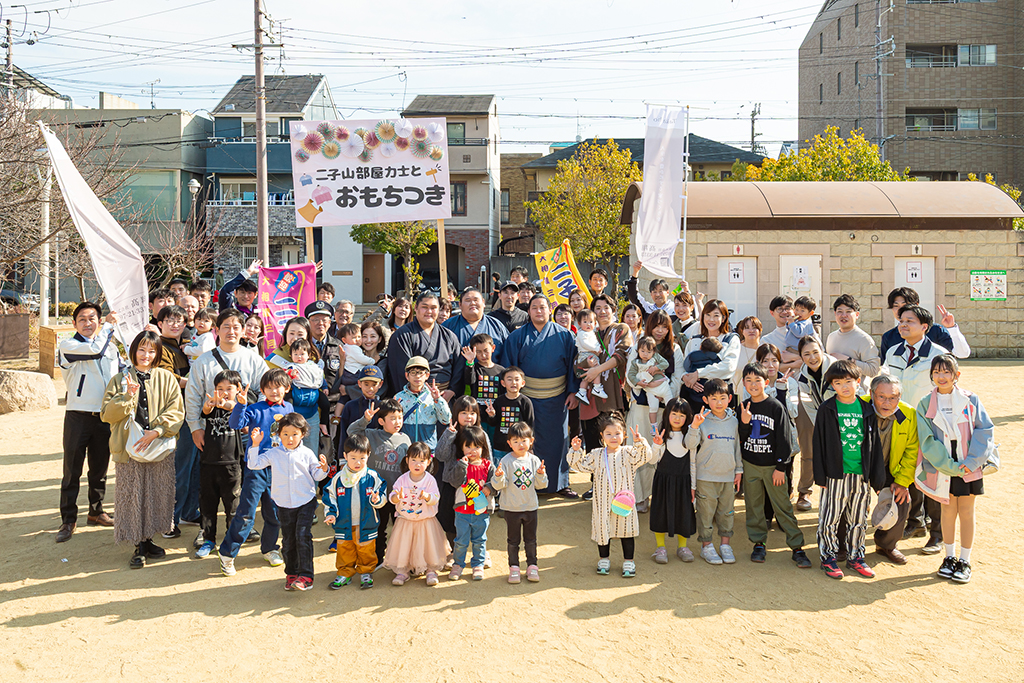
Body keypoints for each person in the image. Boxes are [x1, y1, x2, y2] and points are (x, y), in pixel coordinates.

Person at [100, 330, 185, 568]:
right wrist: (127, 396)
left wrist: (157, 431)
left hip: (158, 444)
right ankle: (137, 543)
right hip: (130, 446)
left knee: (157, 492)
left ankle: (149, 539)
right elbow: (106, 414)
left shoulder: (166, 377)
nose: (146, 355)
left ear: (158, 353)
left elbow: (176, 409)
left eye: (151, 351)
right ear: (133, 350)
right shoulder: (120, 379)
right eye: (141, 349)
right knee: (132, 494)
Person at [916, 354, 995, 585]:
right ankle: (949, 558)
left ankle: (965, 560)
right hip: (944, 468)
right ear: (931, 376)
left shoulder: (971, 400)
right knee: (947, 512)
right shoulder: (924, 404)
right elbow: (927, 440)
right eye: (937, 372)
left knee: (967, 512)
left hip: (969, 465)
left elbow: (985, 430)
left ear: (956, 375)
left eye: (946, 372)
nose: (941, 377)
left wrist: (970, 463)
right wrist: (950, 467)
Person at [880, 304, 951, 552]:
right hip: (902, 421)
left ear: (924, 326)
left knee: (933, 476)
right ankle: (915, 521)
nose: (903, 324)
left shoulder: (939, 354)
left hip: (931, 423)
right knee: (908, 472)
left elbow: (946, 390)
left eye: (909, 321)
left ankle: (937, 534)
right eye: (901, 320)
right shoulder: (892, 352)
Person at [498, 294, 580, 498]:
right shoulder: (516, 337)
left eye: (542, 307)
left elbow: (573, 367)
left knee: (559, 440)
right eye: (534, 308)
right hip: (527, 398)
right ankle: (527, 483)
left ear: (549, 310)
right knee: (526, 440)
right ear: (528, 311)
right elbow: (509, 367)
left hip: (557, 396)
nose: (538, 311)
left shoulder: (565, 335)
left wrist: (572, 391)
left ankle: (560, 483)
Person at [813, 360, 885, 580]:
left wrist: (876, 477)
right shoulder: (828, 409)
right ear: (832, 386)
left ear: (858, 381)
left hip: (861, 474)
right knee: (830, 518)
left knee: (859, 518)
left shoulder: (866, 409)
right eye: (838, 383)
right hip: (835, 473)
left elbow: (874, 443)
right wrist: (820, 474)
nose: (844, 386)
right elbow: (818, 443)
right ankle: (829, 557)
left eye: (848, 381)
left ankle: (856, 557)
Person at [219, 368, 294, 576]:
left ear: (286, 388)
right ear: (262, 390)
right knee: (246, 514)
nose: (274, 391)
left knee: (275, 513)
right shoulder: (255, 408)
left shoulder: (289, 408)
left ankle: (270, 548)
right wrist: (241, 405)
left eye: (278, 387)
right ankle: (227, 554)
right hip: (256, 467)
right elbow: (236, 423)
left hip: (279, 468)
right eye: (268, 388)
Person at [56, 303, 121, 543]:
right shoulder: (69, 345)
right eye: (81, 319)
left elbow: (121, 372)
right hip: (78, 416)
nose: (87, 322)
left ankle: (96, 511)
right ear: (74, 324)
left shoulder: (110, 348)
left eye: (92, 318)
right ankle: (68, 520)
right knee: (72, 470)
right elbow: (94, 351)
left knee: (100, 468)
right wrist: (109, 326)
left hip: (104, 417)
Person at [737, 363, 812, 568]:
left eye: (757, 380)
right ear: (743, 383)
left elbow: (784, 439)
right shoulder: (743, 406)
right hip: (751, 464)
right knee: (753, 506)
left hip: (773, 467)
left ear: (766, 382)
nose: (753, 384)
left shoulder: (775, 406)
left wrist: (781, 467)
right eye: (749, 380)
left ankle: (797, 546)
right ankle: (759, 543)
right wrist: (744, 423)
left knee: (783, 507)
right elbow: (741, 439)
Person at [247, 414, 329, 591]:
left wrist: (324, 469)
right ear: (278, 434)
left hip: (306, 501)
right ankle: (291, 573)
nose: (289, 439)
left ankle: (306, 576)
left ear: (302, 434)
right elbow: (254, 464)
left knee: (303, 536)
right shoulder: (274, 453)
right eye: (285, 434)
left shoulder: (307, 453)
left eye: (294, 434)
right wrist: (255, 444)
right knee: (289, 540)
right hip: (283, 503)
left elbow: (317, 475)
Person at [568, 416, 655, 578]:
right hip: (602, 502)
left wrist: (639, 441)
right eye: (608, 434)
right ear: (602, 436)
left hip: (624, 502)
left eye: (617, 433)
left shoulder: (629, 453)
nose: (613, 437)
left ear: (624, 435)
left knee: (626, 531)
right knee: (603, 530)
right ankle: (604, 559)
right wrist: (575, 450)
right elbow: (579, 465)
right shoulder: (596, 454)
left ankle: (629, 561)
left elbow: (645, 457)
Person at [625, 310, 684, 513]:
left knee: (661, 454)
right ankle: (639, 497)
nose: (660, 330)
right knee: (638, 450)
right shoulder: (638, 347)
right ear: (649, 326)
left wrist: (665, 394)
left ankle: (661, 497)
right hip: (641, 407)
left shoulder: (674, 349)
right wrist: (643, 386)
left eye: (664, 326)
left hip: (663, 409)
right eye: (656, 326)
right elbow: (629, 375)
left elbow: (678, 377)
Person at [684, 379, 742, 566]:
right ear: (705, 399)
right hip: (706, 476)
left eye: (722, 398)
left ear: (729, 398)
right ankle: (706, 546)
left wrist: (739, 470)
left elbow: (736, 448)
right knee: (705, 513)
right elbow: (689, 445)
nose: (718, 402)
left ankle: (725, 545)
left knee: (727, 513)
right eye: (714, 398)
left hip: (728, 476)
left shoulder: (733, 421)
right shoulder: (701, 420)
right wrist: (694, 426)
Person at [348, 398, 412, 564]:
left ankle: (401, 560)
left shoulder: (405, 439)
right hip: (377, 494)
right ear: (381, 421)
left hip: (398, 495)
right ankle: (377, 559)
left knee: (401, 528)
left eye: (400, 417)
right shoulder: (372, 435)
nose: (397, 422)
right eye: (392, 418)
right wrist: (366, 419)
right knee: (379, 528)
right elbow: (351, 432)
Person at [864, 374, 919, 566]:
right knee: (849, 499)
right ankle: (845, 545)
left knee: (902, 500)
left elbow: (912, 450)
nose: (887, 402)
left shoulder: (908, 414)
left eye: (893, 397)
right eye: (881, 397)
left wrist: (903, 481)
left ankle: (886, 544)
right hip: (860, 465)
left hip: (890, 467)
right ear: (871, 394)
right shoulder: (859, 407)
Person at [323, 433, 388, 589]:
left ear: (368, 456)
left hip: (366, 523)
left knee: (366, 549)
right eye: (353, 458)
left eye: (362, 458)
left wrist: (377, 500)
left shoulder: (372, 477)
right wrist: (331, 513)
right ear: (345, 456)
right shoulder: (338, 478)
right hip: (343, 523)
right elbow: (329, 496)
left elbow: (382, 494)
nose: (357, 462)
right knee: (345, 549)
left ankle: (366, 572)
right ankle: (344, 573)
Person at [193, 370, 245, 559]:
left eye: (228, 389)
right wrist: (210, 404)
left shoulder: (240, 407)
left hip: (231, 464)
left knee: (232, 505)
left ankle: (231, 541)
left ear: (238, 390)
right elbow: (205, 411)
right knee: (208, 504)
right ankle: (208, 540)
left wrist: (230, 403)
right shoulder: (211, 405)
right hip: (208, 463)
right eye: (219, 388)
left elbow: (235, 408)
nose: (223, 392)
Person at [384, 442, 450, 587]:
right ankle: (403, 570)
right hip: (405, 521)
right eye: (413, 460)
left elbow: (435, 499)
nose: (417, 464)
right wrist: (397, 496)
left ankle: (431, 569)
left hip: (426, 521)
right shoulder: (402, 479)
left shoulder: (430, 480)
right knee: (405, 546)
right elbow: (392, 497)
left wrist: (427, 496)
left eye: (421, 461)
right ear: (407, 460)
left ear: (428, 462)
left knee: (428, 546)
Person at [491, 421, 547, 584]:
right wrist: (499, 476)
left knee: (531, 540)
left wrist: (541, 474)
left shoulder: (535, 460)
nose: (520, 444)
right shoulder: (506, 461)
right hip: (511, 508)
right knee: (513, 541)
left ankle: (532, 566)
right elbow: (497, 486)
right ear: (509, 443)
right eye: (515, 441)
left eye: (523, 440)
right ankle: (514, 567)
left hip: (530, 507)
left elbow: (541, 485)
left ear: (531, 440)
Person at [386, 293, 461, 404]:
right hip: (414, 399)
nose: (429, 311)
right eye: (424, 307)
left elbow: (459, 367)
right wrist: (419, 395)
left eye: (434, 308)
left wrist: (452, 390)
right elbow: (399, 371)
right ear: (416, 308)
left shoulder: (449, 336)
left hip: (445, 398)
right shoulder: (402, 335)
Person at [444, 425, 496, 581]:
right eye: (468, 446)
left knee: (480, 540)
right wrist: (462, 466)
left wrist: (490, 487)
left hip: (481, 511)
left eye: (476, 446)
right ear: (462, 447)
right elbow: (454, 482)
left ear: (483, 447)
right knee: (460, 541)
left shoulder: (488, 466)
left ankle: (478, 564)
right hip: (462, 511)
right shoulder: (460, 464)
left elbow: (497, 485)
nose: (472, 450)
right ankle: (458, 564)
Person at [648, 399, 696, 564]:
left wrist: (693, 486)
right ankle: (660, 547)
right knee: (661, 513)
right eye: (674, 414)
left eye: (682, 415)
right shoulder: (661, 435)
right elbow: (652, 461)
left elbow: (693, 463)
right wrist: (656, 446)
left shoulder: (690, 437)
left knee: (684, 513)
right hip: (663, 481)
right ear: (667, 414)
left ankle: (682, 547)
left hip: (684, 482)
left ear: (687, 417)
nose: (677, 418)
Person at [794, 336, 836, 511]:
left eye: (815, 352)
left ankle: (837, 492)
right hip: (815, 413)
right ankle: (804, 491)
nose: (812, 358)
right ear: (801, 357)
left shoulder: (836, 369)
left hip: (840, 414)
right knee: (809, 450)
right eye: (806, 354)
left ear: (822, 350)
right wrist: (820, 427)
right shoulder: (802, 377)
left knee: (838, 454)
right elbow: (808, 404)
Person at [443, 287, 509, 389]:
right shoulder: (448, 326)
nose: (472, 303)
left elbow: (507, 357)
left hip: (492, 384)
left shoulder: (497, 326)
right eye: (468, 300)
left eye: (476, 300)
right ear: (460, 305)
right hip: (457, 386)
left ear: (483, 302)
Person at [879, 287, 970, 359]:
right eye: (896, 306)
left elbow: (962, 354)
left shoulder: (936, 331)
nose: (900, 310)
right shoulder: (888, 337)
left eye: (905, 305)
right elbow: (886, 369)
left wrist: (951, 328)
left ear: (917, 305)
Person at [681, 300, 742, 405]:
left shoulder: (731, 339)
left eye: (716, 315)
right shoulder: (694, 340)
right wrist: (686, 378)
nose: (711, 319)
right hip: (693, 397)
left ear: (723, 318)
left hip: (720, 399)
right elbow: (684, 365)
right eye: (708, 315)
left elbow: (728, 367)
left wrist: (698, 374)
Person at [280, 338, 328, 454]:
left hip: (312, 411)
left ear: (309, 355)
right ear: (291, 356)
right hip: (297, 407)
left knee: (325, 403)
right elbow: (286, 376)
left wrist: (325, 387)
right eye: (295, 354)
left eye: (302, 354)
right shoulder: (292, 367)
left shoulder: (314, 366)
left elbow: (320, 377)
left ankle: (324, 424)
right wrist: (290, 375)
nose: (299, 357)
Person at [394, 356, 453, 450]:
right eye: (413, 372)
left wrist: (438, 399)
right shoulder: (398, 398)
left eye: (421, 373)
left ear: (427, 375)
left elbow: (446, 420)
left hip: (428, 451)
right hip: (405, 450)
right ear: (407, 376)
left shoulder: (433, 397)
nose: (417, 376)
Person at [826, 294, 880, 383]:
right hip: (834, 393)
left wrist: (849, 361)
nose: (844, 315)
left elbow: (873, 370)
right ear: (835, 314)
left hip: (857, 393)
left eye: (848, 311)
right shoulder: (831, 337)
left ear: (857, 315)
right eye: (840, 311)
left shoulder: (864, 339)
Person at [483, 366, 534, 460]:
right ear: (503, 383)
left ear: (522, 383)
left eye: (517, 379)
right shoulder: (498, 401)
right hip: (500, 447)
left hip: (519, 447)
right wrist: (492, 415)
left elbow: (530, 425)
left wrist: (530, 447)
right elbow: (493, 423)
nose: (513, 382)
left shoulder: (526, 402)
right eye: (509, 379)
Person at [628, 335, 674, 435]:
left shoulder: (655, 358)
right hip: (650, 390)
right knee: (653, 408)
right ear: (638, 350)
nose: (646, 354)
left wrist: (655, 368)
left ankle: (671, 425)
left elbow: (665, 364)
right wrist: (637, 382)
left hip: (663, 386)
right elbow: (630, 375)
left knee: (670, 405)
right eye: (643, 351)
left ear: (653, 352)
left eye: (649, 352)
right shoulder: (636, 363)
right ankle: (654, 427)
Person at [304, 300, 344, 410]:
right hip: (308, 402)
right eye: (316, 319)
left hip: (334, 404)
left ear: (330, 323)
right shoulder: (302, 346)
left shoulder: (339, 346)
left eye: (324, 320)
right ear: (308, 322)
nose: (320, 323)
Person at [337, 366, 386, 452]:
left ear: (380, 384)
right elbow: (343, 434)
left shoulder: (383, 407)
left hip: (378, 454)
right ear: (359, 384)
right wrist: (342, 459)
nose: (370, 388)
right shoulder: (350, 406)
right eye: (366, 384)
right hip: (355, 454)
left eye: (374, 385)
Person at [455, 334, 505, 408]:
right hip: (477, 410)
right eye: (478, 352)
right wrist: (470, 362)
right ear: (473, 352)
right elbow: (469, 381)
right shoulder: (473, 368)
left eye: (486, 351)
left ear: (493, 348)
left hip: (495, 410)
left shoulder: (501, 370)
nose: (483, 355)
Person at [573, 308, 607, 404]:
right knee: (596, 369)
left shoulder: (590, 332)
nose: (588, 324)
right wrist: (596, 349)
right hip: (586, 355)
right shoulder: (582, 333)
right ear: (579, 324)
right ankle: (597, 387)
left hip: (588, 354)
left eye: (591, 322)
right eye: (585, 322)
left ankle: (582, 392)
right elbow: (585, 344)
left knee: (587, 377)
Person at [760, 295, 801, 372]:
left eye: (787, 308)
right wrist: (794, 364)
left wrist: (794, 357)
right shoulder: (767, 340)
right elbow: (764, 369)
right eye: (779, 309)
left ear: (794, 311)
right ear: (772, 313)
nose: (784, 312)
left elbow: (819, 355)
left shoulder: (806, 331)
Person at [337, 323, 376, 398]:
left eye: (359, 337)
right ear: (344, 340)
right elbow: (361, 359)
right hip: (353, 374)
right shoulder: (354, 348)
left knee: (343, 399)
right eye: (354, 338)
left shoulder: (346, 347)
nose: (358, 340)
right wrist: (372, 361)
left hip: (347, 374)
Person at [732, 316, 762, 390]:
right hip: (736, 393)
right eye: (747, 328)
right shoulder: (735, 349)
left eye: (754, 327)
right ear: (742, 331)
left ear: (760, 330)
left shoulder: (764, 350)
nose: (751, 330)